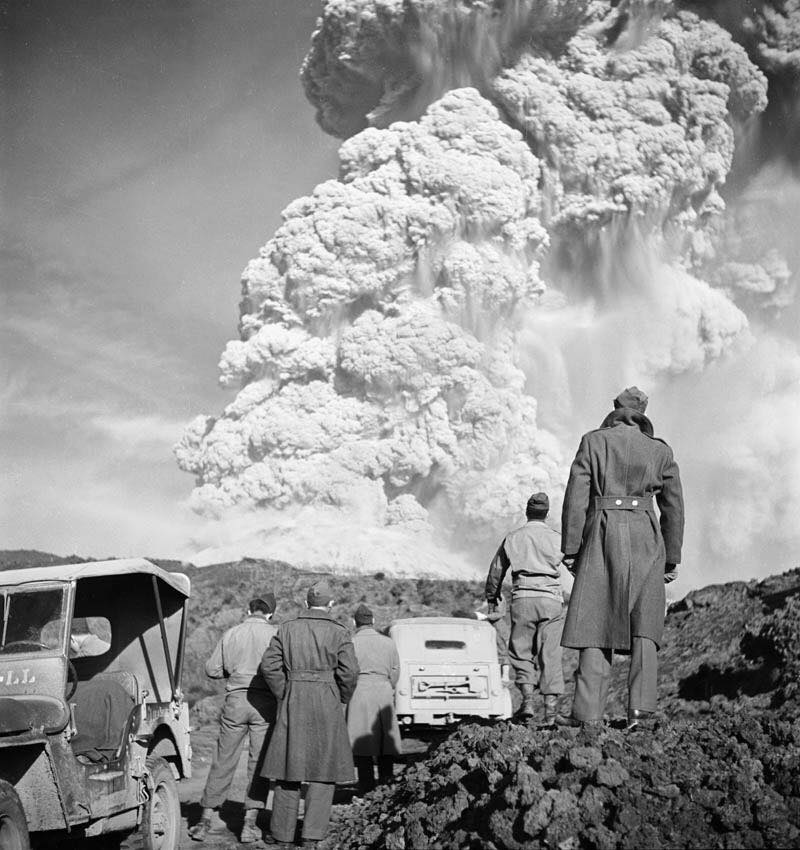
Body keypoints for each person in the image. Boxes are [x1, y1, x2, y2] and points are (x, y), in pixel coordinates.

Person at [557, 386, 684, 729]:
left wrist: (571, 547)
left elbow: (576, 497)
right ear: (644, 411)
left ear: (615, 408)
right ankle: (641, 713)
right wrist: (671, 557)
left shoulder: (592, 441)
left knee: (595, 620)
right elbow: (673, 506)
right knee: (645, 626)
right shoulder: (660, 450)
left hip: (601, 533)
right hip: (646, 535)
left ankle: (586, 714)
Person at [260, 582, 359, 849]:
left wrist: (285, 692)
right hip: (327, 701)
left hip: (294, 699)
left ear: (305, 604)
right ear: (331, 604)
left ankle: (281, 834)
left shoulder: (287, 628)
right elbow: (349, 673)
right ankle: (312, 836)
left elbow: (269, 666)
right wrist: (340, 697)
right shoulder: (340, 632)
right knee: (323, 772)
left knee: (287, 769)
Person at [189, 594, 278, 844]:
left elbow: (212, 669)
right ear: (270, 613)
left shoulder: (232, 633)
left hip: (235, 700)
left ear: (248, 610)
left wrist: (232, 671)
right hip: (265, 703)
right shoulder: (275, 633)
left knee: (223, 759)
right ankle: (249, 824)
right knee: (258, 763)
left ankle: (204, 819)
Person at [485, 492, 566, 724]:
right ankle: (551, 712)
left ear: (526, 511)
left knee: (521, 651)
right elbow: (575, 564)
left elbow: (496, 571)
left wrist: (492, 596)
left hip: (522, 599)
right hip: (551, 601)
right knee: (550, 653)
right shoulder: (557, 538)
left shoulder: (513, 538)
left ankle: (528, 702)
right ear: (547, 513)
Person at [346, 604, 403, 793]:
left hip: (359, 692)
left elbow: (345, 672)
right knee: (385, 741)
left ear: (354, 622)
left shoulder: (350, 642)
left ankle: (366, 787)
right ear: (373, 621)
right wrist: (388, 686)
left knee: (362, 745)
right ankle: (386, 785)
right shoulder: (388, 642)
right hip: (384, 691)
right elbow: (396, 671)